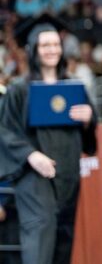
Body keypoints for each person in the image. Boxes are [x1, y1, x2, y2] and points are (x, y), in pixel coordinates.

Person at [0, 15, 97, 264]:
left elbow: (88, 137)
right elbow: (4, 130)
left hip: (67, 177)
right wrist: (31, 155)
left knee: (63, 246)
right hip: (35, 179)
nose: (52, 50)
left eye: (56, 44)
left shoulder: (74, 88)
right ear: (34, 50)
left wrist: (88, 118)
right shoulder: (19, 90)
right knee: (40, 245)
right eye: (45, 45)